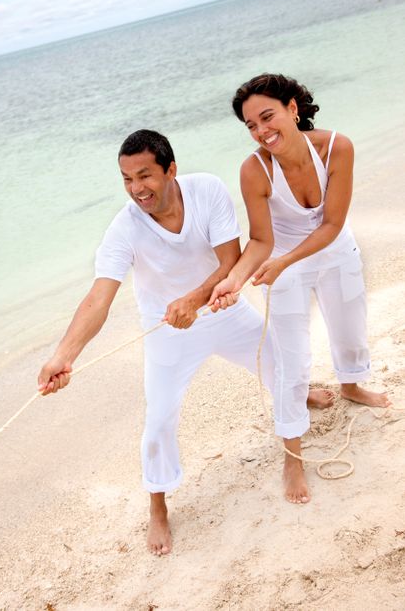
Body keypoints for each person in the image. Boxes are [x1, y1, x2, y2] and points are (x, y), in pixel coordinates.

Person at [38, 129, 276, 556]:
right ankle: (159, 507)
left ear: (171, 170)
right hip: (167, 329)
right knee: (159, 422)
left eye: (145, 176)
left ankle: (301, 395)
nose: (136, 189)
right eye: (127, 179)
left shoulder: (207, 190)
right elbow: (98, 298)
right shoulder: (123, 228)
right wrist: (63, 356)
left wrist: (194, 299)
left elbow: (229, 262)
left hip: (220, 308)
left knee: (280, 361)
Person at [209, 73, 390, 505]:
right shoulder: (254, 170)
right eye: (251, 125)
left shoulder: (336, 147)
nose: (260, 131)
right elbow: (261, 241)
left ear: (293, 108)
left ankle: (350, 385)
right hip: (283, 264)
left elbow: (331, 224)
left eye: (266, 116)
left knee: (349, 329)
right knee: (292, 359)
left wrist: (283, 262)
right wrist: (231, 280)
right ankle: (292, 453)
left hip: (330, 250)